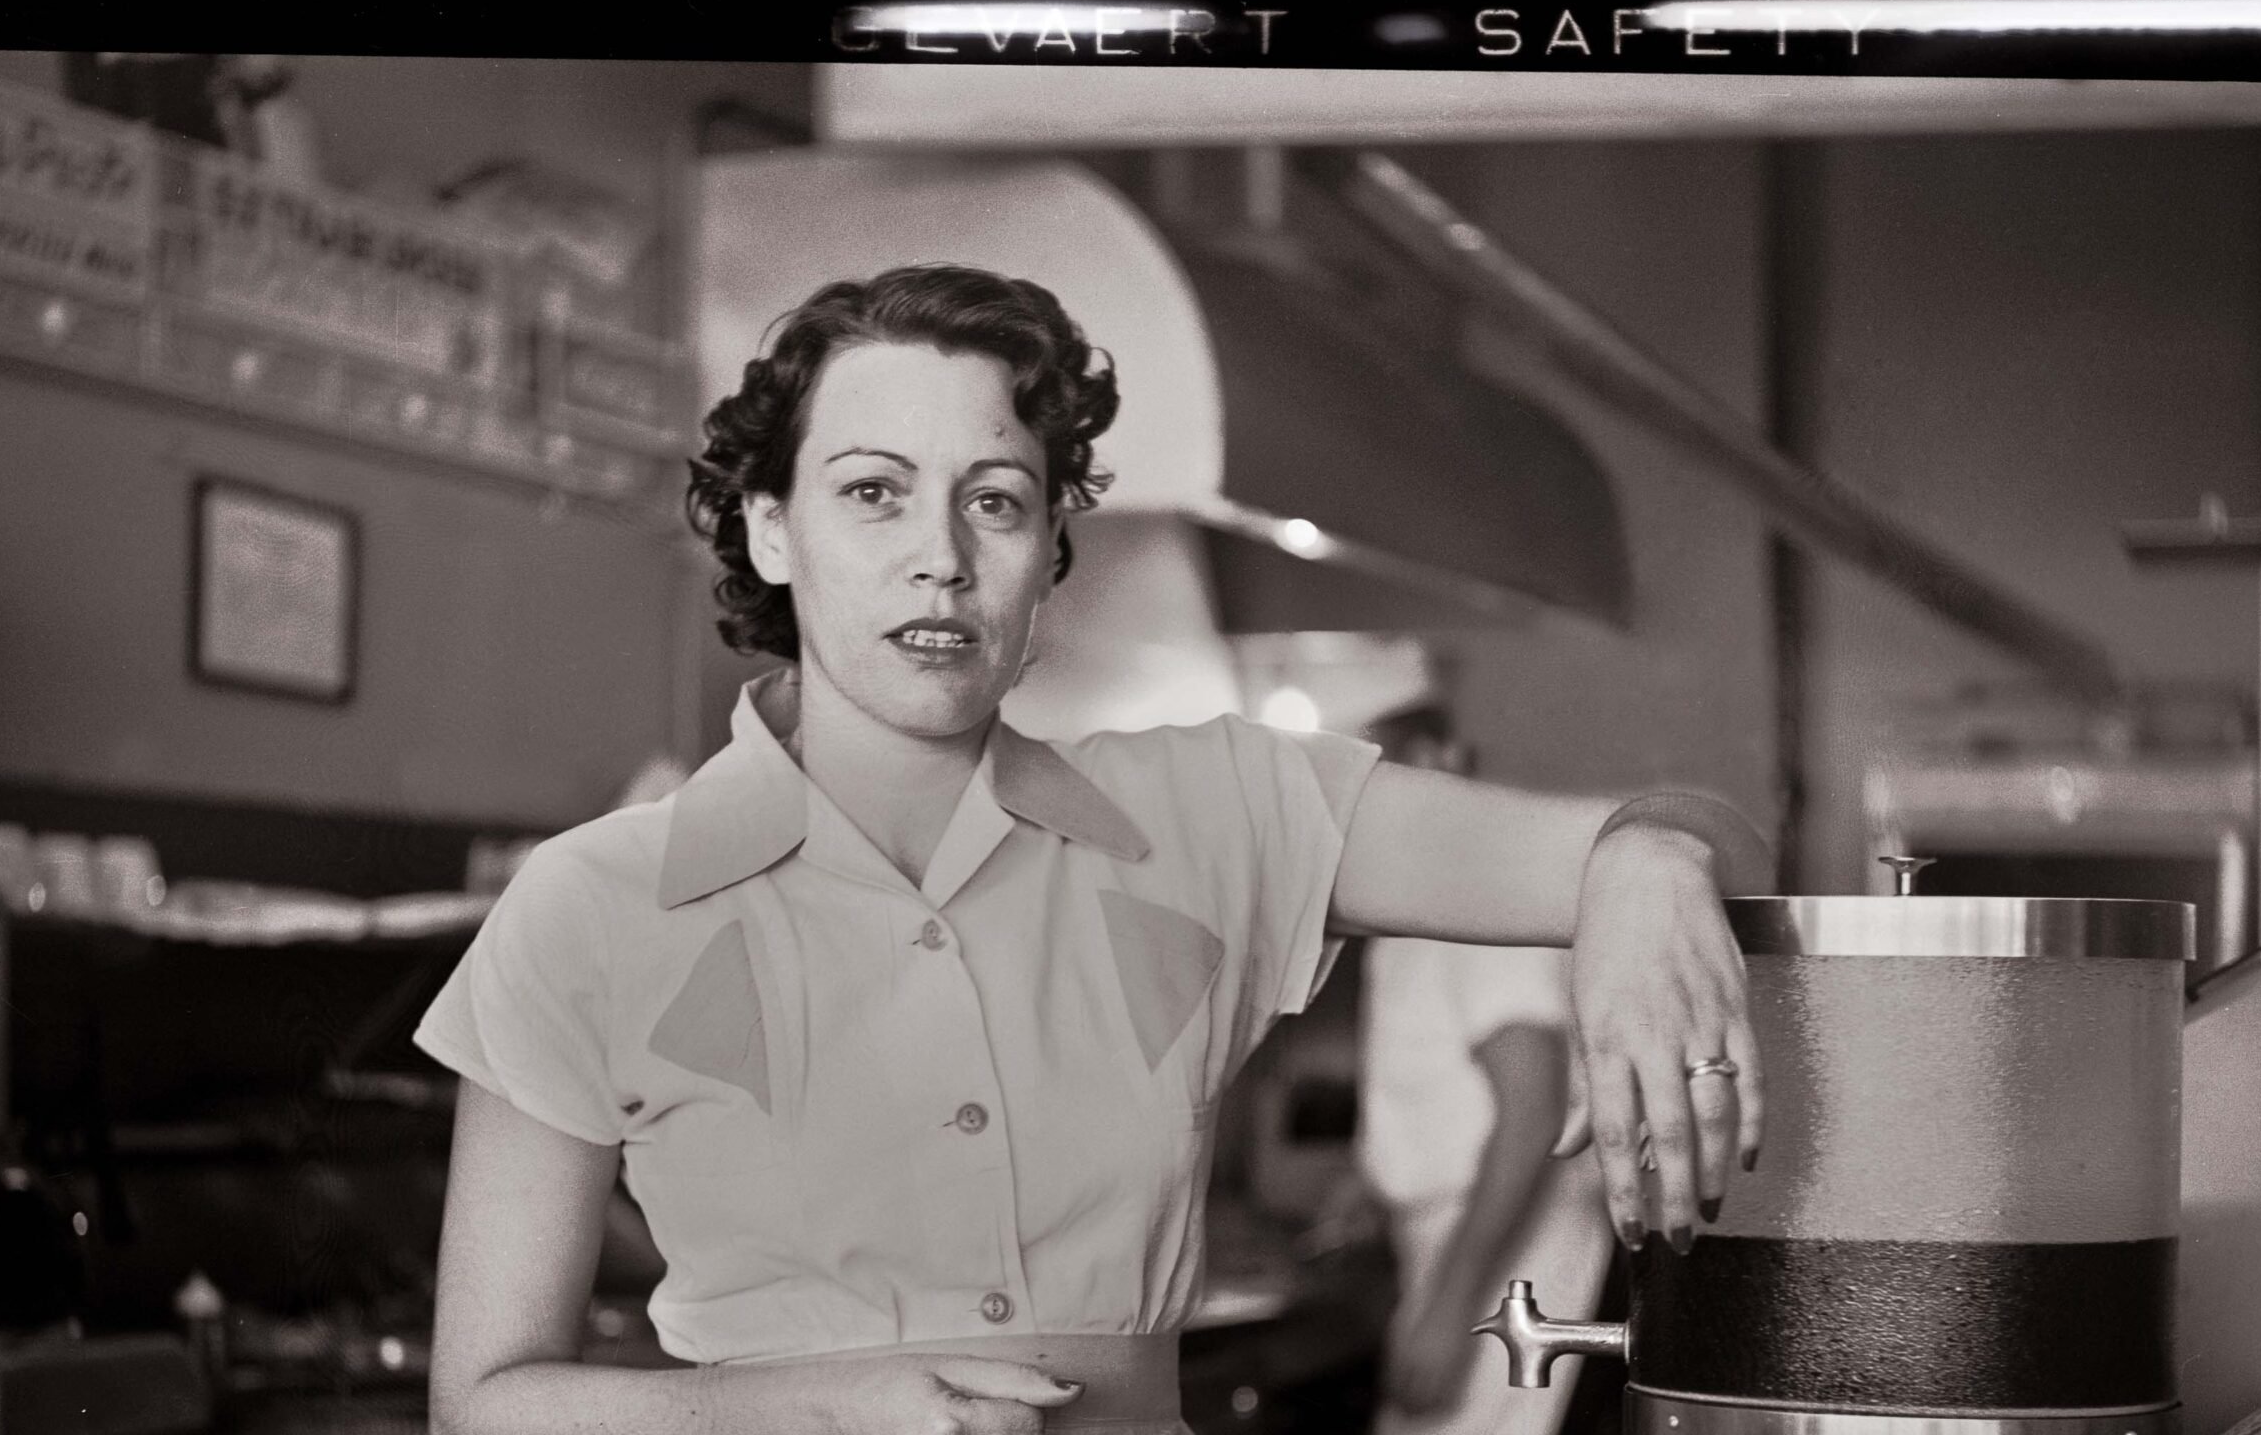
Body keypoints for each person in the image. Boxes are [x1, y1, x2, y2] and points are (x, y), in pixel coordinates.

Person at [414, 264, 1769, 1435]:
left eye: (996, 501)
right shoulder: (589, 907)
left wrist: (1647, 870)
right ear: (772, 531)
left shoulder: (1222, 811)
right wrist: (808, 1408)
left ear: (1053, 546)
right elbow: (483, 1401)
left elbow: (1699, 827)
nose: (940, 558)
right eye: (873, 494)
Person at [1351, 704, 1614, 1435]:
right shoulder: (1412, 907)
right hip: (1465, 1245)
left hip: (1511, 1257)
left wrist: (1452, 1306)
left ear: (1437, 761)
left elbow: (1532, 1111)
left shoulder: (1471, 904)